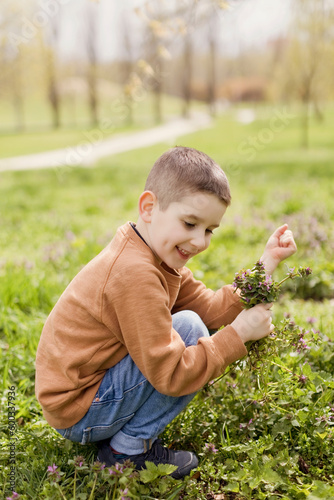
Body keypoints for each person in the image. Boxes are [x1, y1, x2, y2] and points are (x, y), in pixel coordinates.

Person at [35, 146, 297, 479]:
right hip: (79, 409)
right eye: (189, 223)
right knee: (190, 330)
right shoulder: (136, 274)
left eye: (208, 230)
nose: (199, 241)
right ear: (148, 207)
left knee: (192, 322)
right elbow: (171, 374)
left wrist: (267, 263)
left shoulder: (151, 254)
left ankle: (123, 439)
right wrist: (239, 335)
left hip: (84, 395)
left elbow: (212, 309)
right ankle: (126, 452)